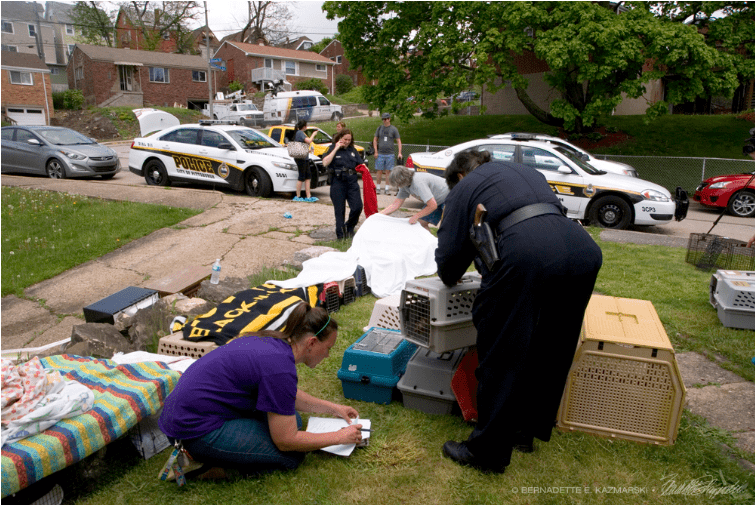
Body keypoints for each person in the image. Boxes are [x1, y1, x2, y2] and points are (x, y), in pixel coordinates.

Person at [435, 150, 603, 474]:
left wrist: (450, 273)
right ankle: (524, 432)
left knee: (502, 352)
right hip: (582, 251)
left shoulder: (464, 188)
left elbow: (450, 252)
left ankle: (487, 451)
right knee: (550, 348)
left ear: (458, 177)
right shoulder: (521, 172)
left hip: (529, 253)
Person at [159, 302, 363, 478]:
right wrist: (339, 437)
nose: (327, 355)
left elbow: (285, 395)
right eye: (328, 348)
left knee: (295, 421)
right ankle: (210, 468)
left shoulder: (274, 345)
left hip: (190, 412)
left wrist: (333, 408)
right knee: (291, 455)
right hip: (193, 430)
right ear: (311, 342)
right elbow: (286, 441)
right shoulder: (279, 369)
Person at [322, 129, 364, 239]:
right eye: (345, 139)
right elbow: (325, 162)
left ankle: (349, 228)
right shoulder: (331, 148)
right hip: (338, 183)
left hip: (352, 183)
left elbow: (361, 164)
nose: (347, 142)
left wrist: (366, 170)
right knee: (339, 211)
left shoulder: (352, 150)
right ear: (340, 138)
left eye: (349, 140)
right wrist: (336, 148)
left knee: (357, 207)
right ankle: (340, 236)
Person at [380, 165, 449, 230]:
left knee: (446, 228)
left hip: (450, 196)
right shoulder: (404, 185)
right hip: (436, 200)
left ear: (403, 179)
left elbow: (432, 205)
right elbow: (396, 204)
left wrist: (416, 216)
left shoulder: (418, 183)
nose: (398, 186)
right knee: (421, 224)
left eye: (398, 184)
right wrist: (379, 215)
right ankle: (428, 243)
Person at [372, 113, 402, 195]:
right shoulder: (379, 128)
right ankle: (378, 187)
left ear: (389, 119)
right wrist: (376, 151)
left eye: (386, 119)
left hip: (390, 154)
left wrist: (399, 152)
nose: (384, 121)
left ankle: (386, 188)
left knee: (388, 171)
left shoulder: (393, 129)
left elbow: (398, 141)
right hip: (380, 153)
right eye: (383, 119)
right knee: (379, 171)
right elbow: (375, 140)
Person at [292, 120, 319, 202]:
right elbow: (309, 141)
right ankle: (298, 196)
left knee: (308, 177)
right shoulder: (300, 133)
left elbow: (302, 146)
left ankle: (308, 195)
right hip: (301, 158)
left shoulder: (298, 133)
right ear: (304, 126)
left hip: (305, 157)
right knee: (301, 177)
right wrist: (313, 134)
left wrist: (309, 151)